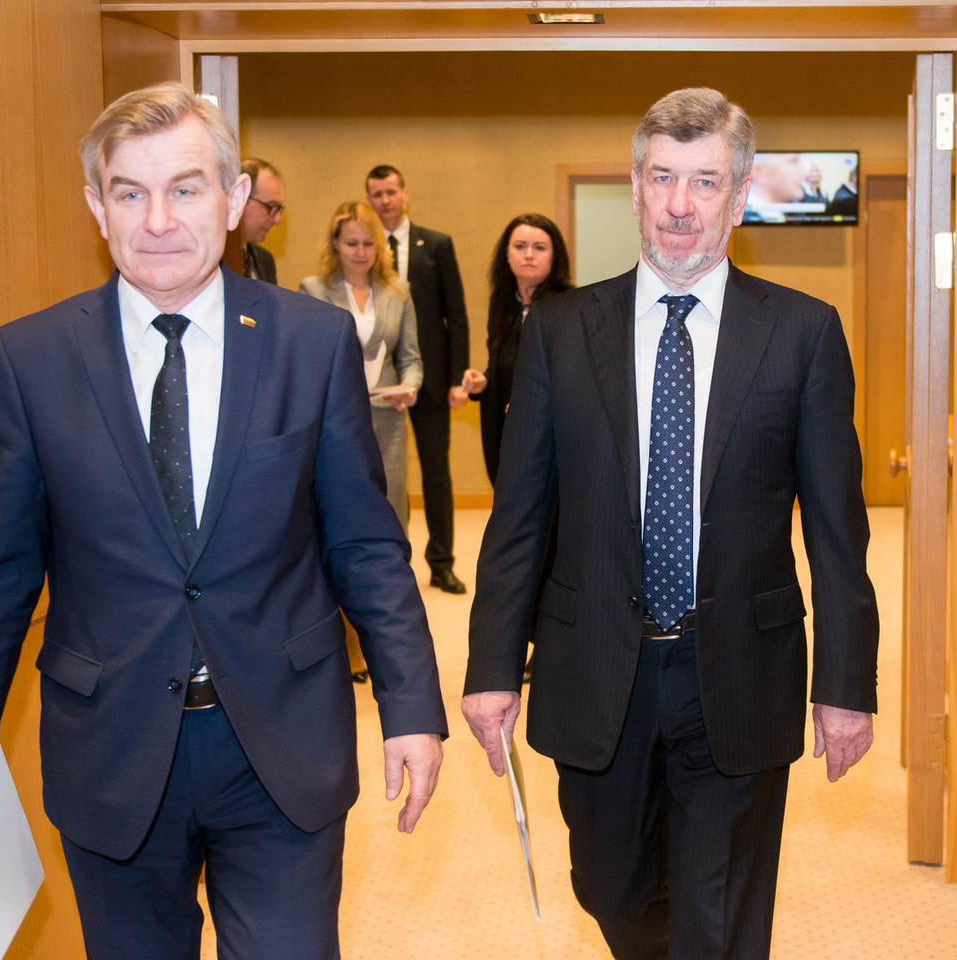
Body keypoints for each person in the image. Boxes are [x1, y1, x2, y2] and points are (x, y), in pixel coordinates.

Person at [0, 83, 447, 960]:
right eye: (130, 193)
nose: (158, 220)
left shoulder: (311, 343)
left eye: (186, 189)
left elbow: (365, 546)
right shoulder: (32, 359)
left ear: (233, 199)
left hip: (281, 743)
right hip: (110, 752)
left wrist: (410, 704)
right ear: (97, 206)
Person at [461, 87, 879, 959]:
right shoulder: (561, 332)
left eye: (704, 181)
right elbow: (520, 517)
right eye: (662, 178)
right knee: (610, 890)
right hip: (594, 663)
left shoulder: (803, 333)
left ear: (740, 195)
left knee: (717, 917)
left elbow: (838, 532)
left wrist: (846, 682)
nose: (680, 204)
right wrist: (493, 664)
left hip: (741, 667)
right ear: (636, 186)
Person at [365, 164, 470, 594]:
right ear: (369, 200)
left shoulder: (436, 244)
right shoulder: (365, 247)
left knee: (435, 470)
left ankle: (442, 563)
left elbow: (456, 315)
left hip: (433, 376)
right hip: (382, 378)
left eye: (391, 192)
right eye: (376, 194)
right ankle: (390, 558)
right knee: (385, 471)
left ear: (405, 194)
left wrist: (457, 377)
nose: (385, 200)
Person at [300, 201, 423, 529]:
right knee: (341, 503)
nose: (361, 252)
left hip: (388, 415)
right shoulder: (313, 289)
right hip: (336, 418)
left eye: (369, 243)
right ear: (335, 243)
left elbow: (411, 358)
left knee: (391, 503)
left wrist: (410, 387)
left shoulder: (399, 292)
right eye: (352, 243)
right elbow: (308, 358)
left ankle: (393, 563)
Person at [460, 213, 573, 486]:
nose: (529, 255)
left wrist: (532, 403)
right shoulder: (502, 303)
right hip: (507, 426)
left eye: (540, 247)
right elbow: (502, 363)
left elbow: (572, 375)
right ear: (506, 255)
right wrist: (483, 381)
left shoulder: (569, 304)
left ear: (554, 257)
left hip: (551, 433)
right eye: (520, 246)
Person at [239, 157, 284, 283]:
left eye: (278, 209)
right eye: (270, 207)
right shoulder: (210, 260)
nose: (277, 220)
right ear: (239, 197)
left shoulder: (265, 260)